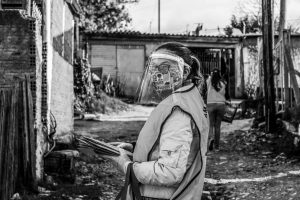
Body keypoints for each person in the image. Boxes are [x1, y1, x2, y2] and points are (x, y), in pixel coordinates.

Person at [103, 42, 209, 200]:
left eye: (164, 68)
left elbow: (169, 173)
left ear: (185, 71)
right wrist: (136, 148)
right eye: (153, 69)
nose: (156, 75)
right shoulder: (188, 98)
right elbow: (174, 144)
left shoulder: (179, 109)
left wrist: (126, 165)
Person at [206, 68, 229, 151]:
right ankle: (216, 147)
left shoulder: (208, 81)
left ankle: (211, 138)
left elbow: (204, 89)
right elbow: (226, 94)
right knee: (217, 126)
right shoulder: (223, 83)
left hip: (210, 104)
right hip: (221, 105)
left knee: (210, 125)